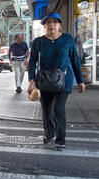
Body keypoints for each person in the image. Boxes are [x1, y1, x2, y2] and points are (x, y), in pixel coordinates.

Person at [27, 12, 85, 151]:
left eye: (54, 22)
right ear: (44, 26)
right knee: (46, 111)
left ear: (59, 25)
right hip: (44, 81)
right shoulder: (38, 42)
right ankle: (49, 134)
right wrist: (31, 80)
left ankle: (60, 140)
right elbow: (32, 62)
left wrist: (80, 80)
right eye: (48, 22)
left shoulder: (67, 39)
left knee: (58, 110)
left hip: (64, 81)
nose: (51, 25)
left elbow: (75, 60)